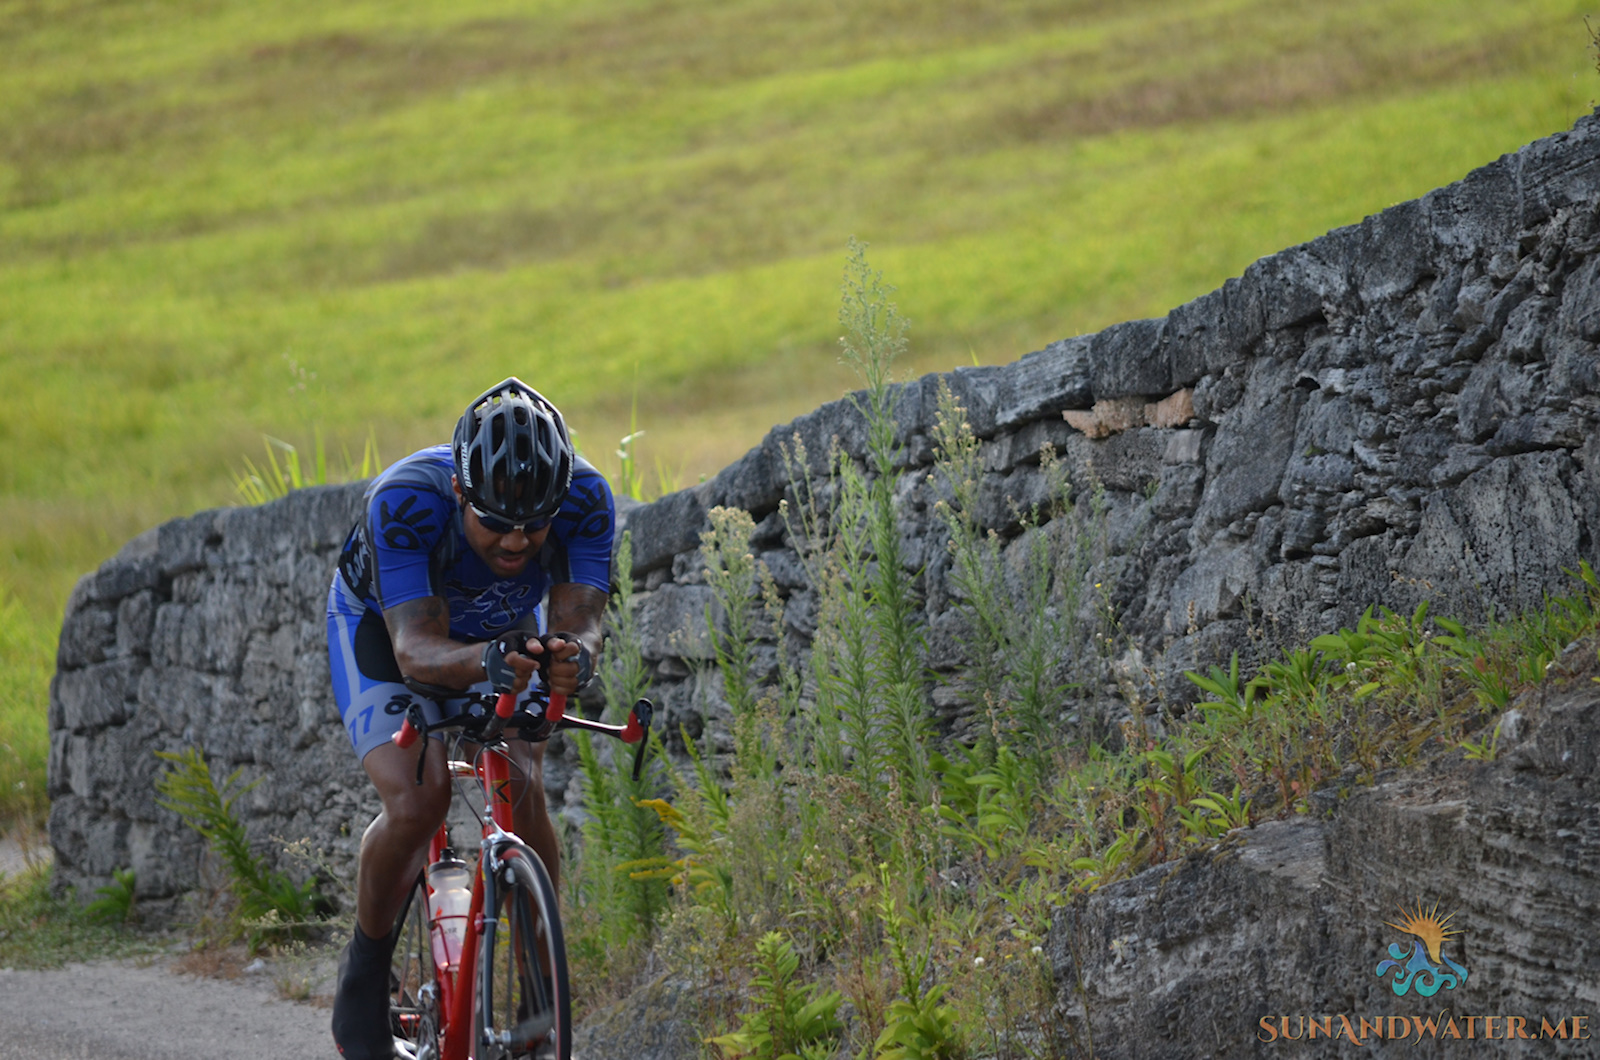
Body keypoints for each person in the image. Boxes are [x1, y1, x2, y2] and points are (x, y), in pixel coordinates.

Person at [324, 377, 614, 1059]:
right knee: (418, 799)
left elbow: (583, 623)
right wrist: (489, 660)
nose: (517, 541)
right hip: (386, 630)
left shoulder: (586, 498)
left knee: (523, 782)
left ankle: (539, 992)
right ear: (460, 492)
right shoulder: (406, 500)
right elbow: (415, 650)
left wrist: (573, 656)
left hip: (500, 630)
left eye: (535, 525)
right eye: (497, 522)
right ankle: (364, 972)